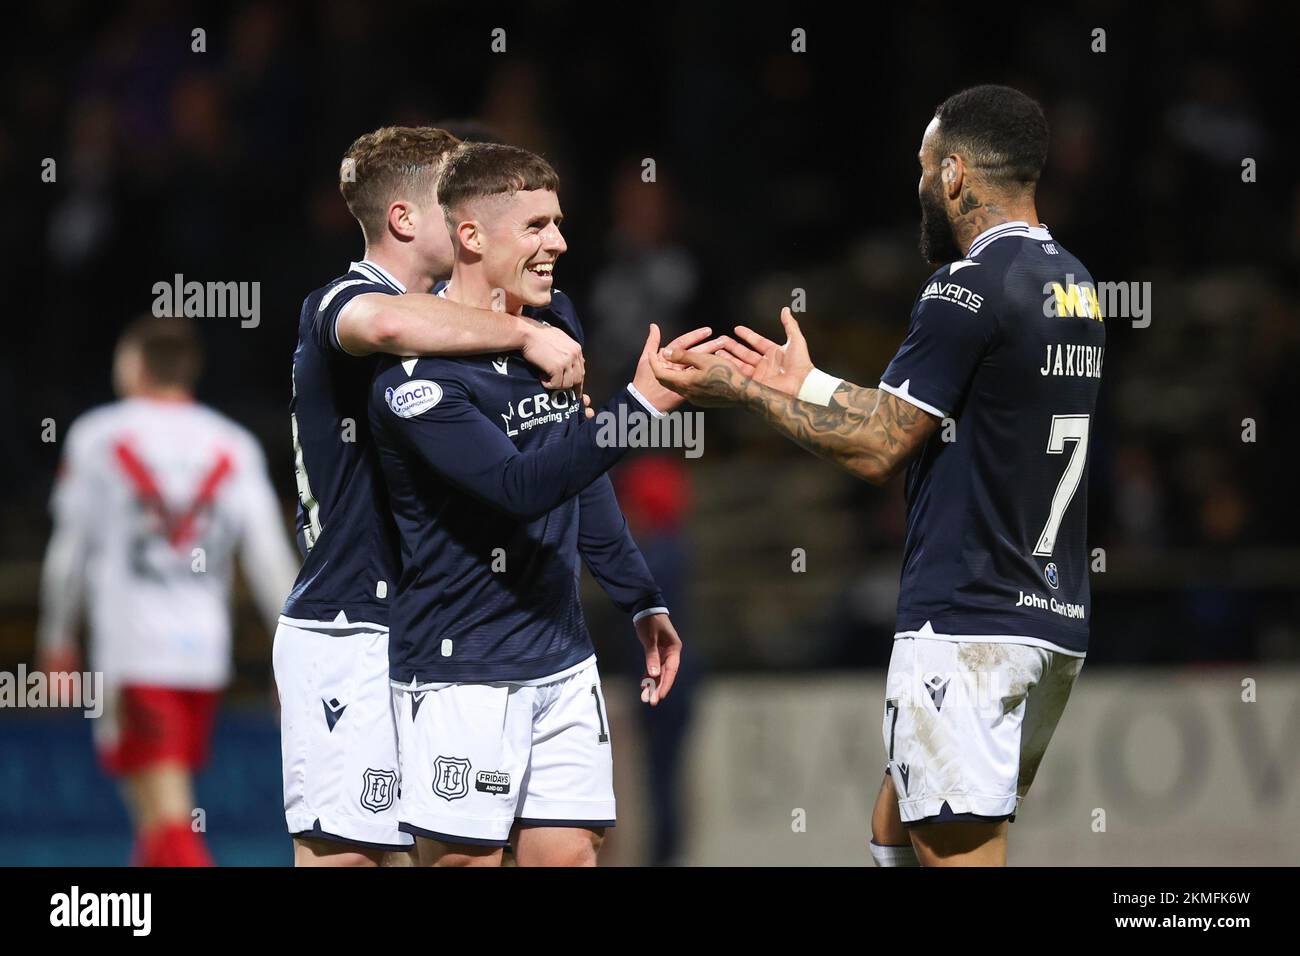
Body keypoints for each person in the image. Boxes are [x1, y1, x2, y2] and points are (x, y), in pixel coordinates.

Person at [652, 85, 1105, 867]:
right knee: (895, 819)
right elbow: (923, 415)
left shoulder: (964, 287)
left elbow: (877, 450)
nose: (920, 185)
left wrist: (742, 392)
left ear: (956, 174)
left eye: (925, 169)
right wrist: (810, 385)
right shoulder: (1074, 284)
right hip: (1049, 620)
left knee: (954, 848)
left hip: (967, 624)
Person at [371, 142, 718, 866]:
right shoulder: (417, 381)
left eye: (557, 223)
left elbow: (576, 473)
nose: (558, 242)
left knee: (571, 856)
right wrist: (640, 409)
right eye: (535, 226)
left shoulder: (553, 328)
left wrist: (640, 599)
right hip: (460, 667)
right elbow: (519, 489)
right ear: (470, 236)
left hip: (559, 657)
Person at [275, 126, 587, 867]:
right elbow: (383, 323)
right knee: (349, 858)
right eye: (452, 200)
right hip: (350, 623)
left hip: (443, 630)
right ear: (407, 220)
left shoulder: (462, 326)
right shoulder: (344, 303)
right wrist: (519, 337)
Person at [37, 314, 299, 866]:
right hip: (202, 657)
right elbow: (270, 561)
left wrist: (56, 640)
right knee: (157, 818)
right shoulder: (233, 446)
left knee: (168, 817)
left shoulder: (99, 437)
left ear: (132, 366)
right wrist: (292, 658)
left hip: (132, 657)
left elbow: (68, 554)